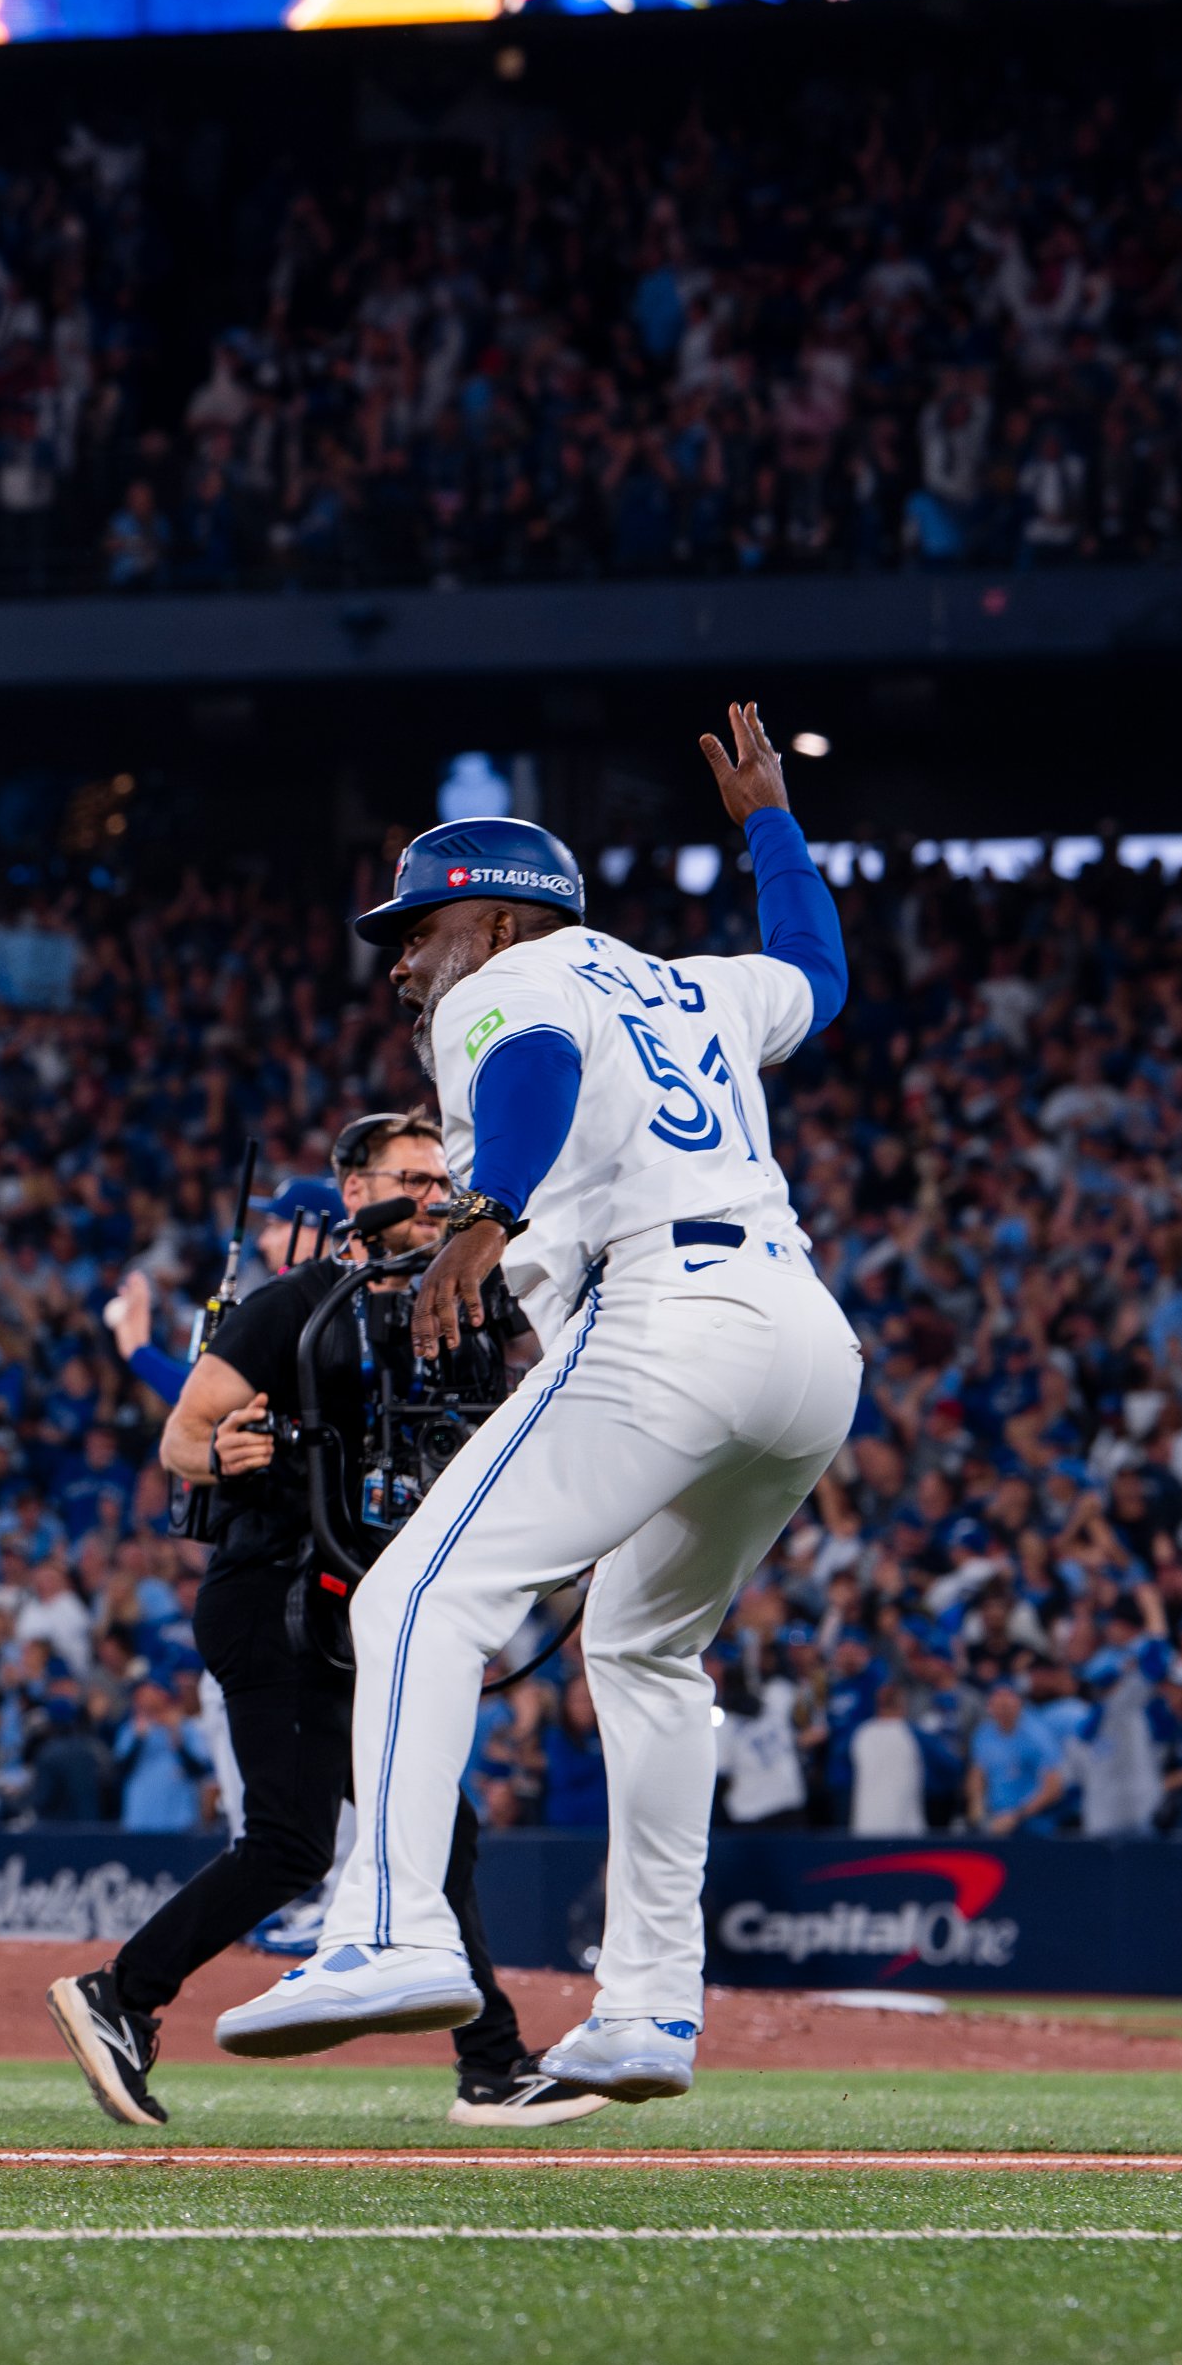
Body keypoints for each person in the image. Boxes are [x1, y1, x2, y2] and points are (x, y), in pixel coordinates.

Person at [217, 704, 859, 2105]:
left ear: (498, 922)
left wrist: (485, 1214)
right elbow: (820, 970)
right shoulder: (693, 985)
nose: (401, 963)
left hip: (664, 1320)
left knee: (409, 1603)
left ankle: (388, 1927)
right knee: (641, 1654)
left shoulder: (503, 988)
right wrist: (771, 826)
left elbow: (530, 1076)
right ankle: (647, 2013)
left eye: (419, 928)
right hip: (805, 1344)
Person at [55, 1112, 599, 2132]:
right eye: (413, 1176)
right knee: (292, 1844)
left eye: (446, 1176)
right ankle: (119, 1994)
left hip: (362, 1610)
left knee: (435, 1828)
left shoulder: (462, 1309)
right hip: (277, 1597)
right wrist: (228, 1456)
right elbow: (181, 1439)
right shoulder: (292, 1305)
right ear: (354, 1193)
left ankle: (491, 2063)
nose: (436, 1193)